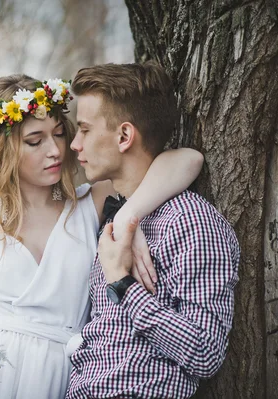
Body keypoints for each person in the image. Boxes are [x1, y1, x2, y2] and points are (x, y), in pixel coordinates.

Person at [0, 74, 203, 399]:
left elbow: (188, 160)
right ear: (3, 149)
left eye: (58, 133)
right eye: (34, 141)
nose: (55, 149)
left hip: (64, 375)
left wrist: (129, 213)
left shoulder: (90, 204)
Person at [65, 62, 240, 399]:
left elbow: (205, 351)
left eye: (85, 130)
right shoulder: (116, 221)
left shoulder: (190, 222)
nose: (74, 144)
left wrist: (123, 285)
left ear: (124, 136)